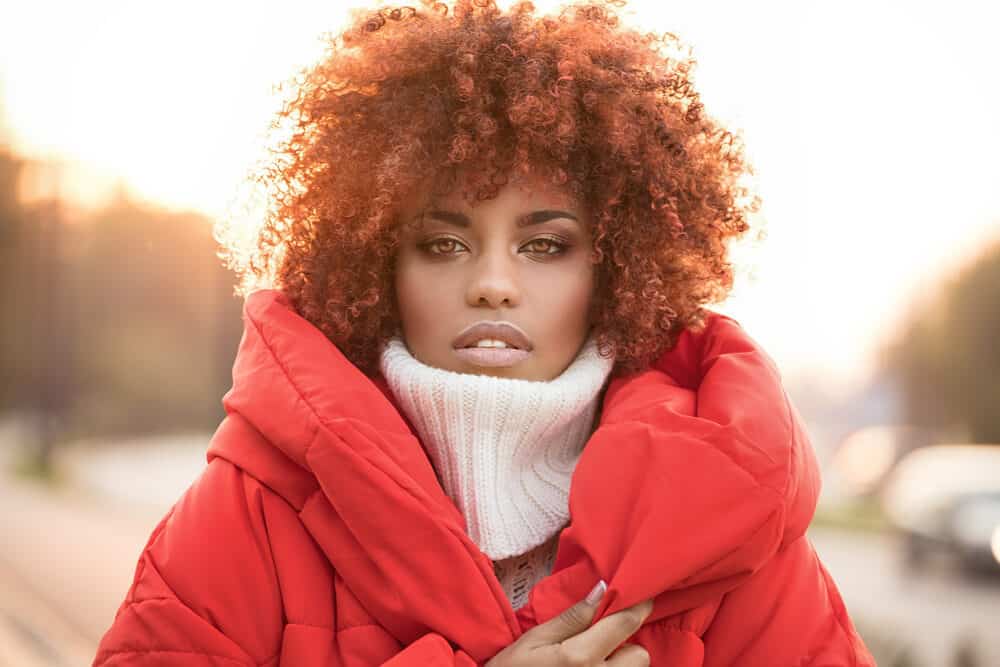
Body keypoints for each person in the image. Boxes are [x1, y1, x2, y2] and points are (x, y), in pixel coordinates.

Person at [93, 0, 876, 664]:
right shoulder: (252, 512)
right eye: (443, 242)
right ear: (375, 264)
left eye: (545, 244)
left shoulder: (729, 527)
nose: (493, 281)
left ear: (612, 269)